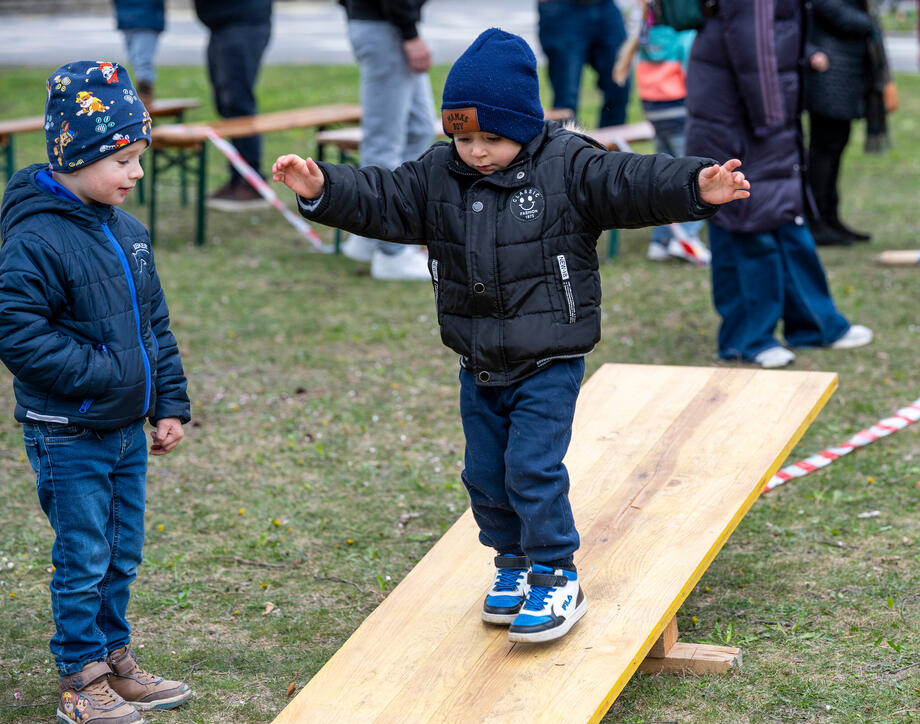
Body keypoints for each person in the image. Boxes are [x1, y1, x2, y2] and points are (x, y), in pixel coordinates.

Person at [274, 29, 749, 643]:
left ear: (525, 126)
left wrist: (694, 186)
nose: (475, 152)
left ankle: (556, 574)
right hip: (478, 357)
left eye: (490, 138)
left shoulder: (569, 166)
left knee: (531, 468)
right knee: (485, 473)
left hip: (549, 354)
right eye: (463, 137)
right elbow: (383, 199)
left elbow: (630, 181)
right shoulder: (438, 174)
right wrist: (322, 189)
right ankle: (512, 565)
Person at [0, 61, 192, 722]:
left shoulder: (127, 232)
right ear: (78, 156)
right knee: (83, 555)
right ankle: (80, 680)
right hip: (67, 431)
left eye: (140, 158)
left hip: (123, 430)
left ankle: (114, 659)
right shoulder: (35, 237)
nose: (136, 174)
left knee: (121, 551)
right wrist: (110, 375)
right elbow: (18, 334)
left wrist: (168, 402)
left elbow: (154, 328)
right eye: (126, 160)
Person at [685, 0, 873, 369]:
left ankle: (815, 325)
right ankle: (747, 340)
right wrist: (771, 120)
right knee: (744, 219)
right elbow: (753, 43)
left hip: (758, 113)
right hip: (743, 118)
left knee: (786, 215)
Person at [337, 0, 436, 281]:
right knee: (384, 143)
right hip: (386, 26)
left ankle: (369, 234)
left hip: (385, 23)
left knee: (418, 128)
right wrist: (409, 33)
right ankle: (391, 252)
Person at [634, 11, 710, 264]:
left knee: (665, 174)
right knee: (693, 174)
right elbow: (695, 76)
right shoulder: (685, 34)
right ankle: (686, 237)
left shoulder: (647, 32)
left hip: (656, 112)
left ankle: (660, 240)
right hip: (681, 111)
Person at [805, 0, 878, 245]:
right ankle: (816, 221)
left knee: (835, 148)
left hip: (843, 75)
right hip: (829, 76)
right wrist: (868, 21)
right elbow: (838, 14)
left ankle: (830, 218)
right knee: (823, 151)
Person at [194, 0, 273, 211]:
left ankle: (251, 182)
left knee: (238, 104)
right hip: (222, 24)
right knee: (225, 105)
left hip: (243, 21)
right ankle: (239, 176)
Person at [537, 0, 631, 128]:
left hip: (605, 7)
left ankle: (608, 147)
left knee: (619, 85)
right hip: (561, 10)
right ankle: (565, 147)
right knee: (565, 103)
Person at [113, 0, 165, 108]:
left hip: (146, 18)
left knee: (142, 60)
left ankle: (145, 92)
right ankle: (142, 94)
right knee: (134, 59)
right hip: (127, 17)